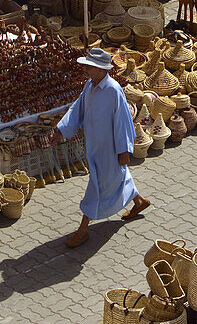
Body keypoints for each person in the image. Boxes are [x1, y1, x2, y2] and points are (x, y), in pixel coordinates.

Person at [56, 47, 151, 248]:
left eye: (89, 66)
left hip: (109, 147)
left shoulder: (112, 90)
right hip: (95, 145)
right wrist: (62, 129)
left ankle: (83, 230)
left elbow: (122, 121)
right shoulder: (89, 86)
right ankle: (139, 201)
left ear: (101, 69)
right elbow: (77, 109)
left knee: (97, 185)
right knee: (117, 176)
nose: (85, 69)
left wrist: (123, 150)